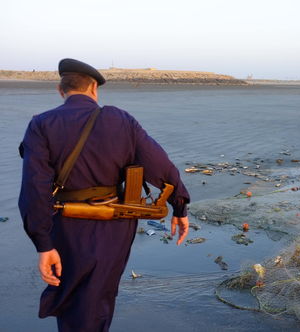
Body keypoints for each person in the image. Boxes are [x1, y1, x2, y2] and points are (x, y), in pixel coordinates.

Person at [18, 58, 191, 331]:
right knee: (98, 297)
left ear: (60, 89)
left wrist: (43, 243)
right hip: (115, 223)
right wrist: (180, 207)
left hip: (65, 224)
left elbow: (34, 188)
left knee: (74, 297)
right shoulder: (121, 120)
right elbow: (161, 167)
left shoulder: (41, 124)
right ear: (94, 89)